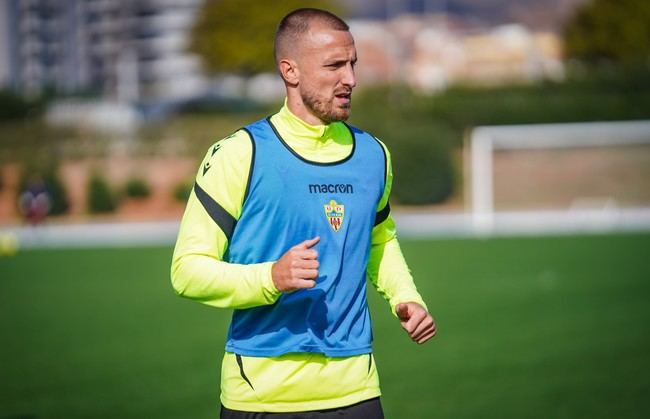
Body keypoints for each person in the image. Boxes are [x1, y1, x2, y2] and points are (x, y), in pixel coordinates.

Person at [171, 8, 436, 418]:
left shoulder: (373, 155)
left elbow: (379, 239)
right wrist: (271, 278)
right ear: (290, 71)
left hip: (356, 392)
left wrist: (406, 297)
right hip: (260, 395)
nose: (351, 79)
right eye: (334, 65)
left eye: (352, 64)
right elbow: (187, 271)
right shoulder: (240, 154)